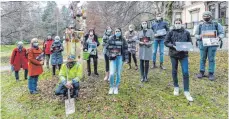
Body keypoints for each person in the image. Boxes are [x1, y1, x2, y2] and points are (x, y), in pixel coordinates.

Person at [164, 18, 193, 101]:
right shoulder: (171, 32)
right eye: (176, 23)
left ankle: (186, 90)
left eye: (179, 23)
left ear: (181, 23)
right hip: (173, 54)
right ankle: (176, 86)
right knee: (174, 71)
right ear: (174, 24)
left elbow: (190, 43)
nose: (177, 24)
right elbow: (166, 42)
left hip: (184, 55)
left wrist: (185, 47)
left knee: (185, 72)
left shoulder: (186, 32)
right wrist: (173, 46)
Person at [195, 11, 224, 81]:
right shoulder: (200, 25)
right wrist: (199, 36)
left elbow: (222, 33)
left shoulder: (217, 24)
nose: (206, 17)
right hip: (202, 44)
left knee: (211, 59)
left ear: (211, 16)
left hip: (212, 44)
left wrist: (219, 37)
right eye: (204, 16)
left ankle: (211, 73)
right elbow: (196, 35)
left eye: (207, 16)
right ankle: (201, 72)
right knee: (202, 58)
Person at [107, 28, 128, 94]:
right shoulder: (111, 38)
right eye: (116, 31)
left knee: (118, 73)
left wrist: (126, 59)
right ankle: (111, 86)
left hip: (120, 58)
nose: (117, 32)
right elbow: (107, 48)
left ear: (121, 32)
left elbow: (126, 49)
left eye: (118, 31)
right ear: (114, 32)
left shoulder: (123, 39)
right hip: (113, 58)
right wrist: (110, 55)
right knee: (112, 73)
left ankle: (116, 87)